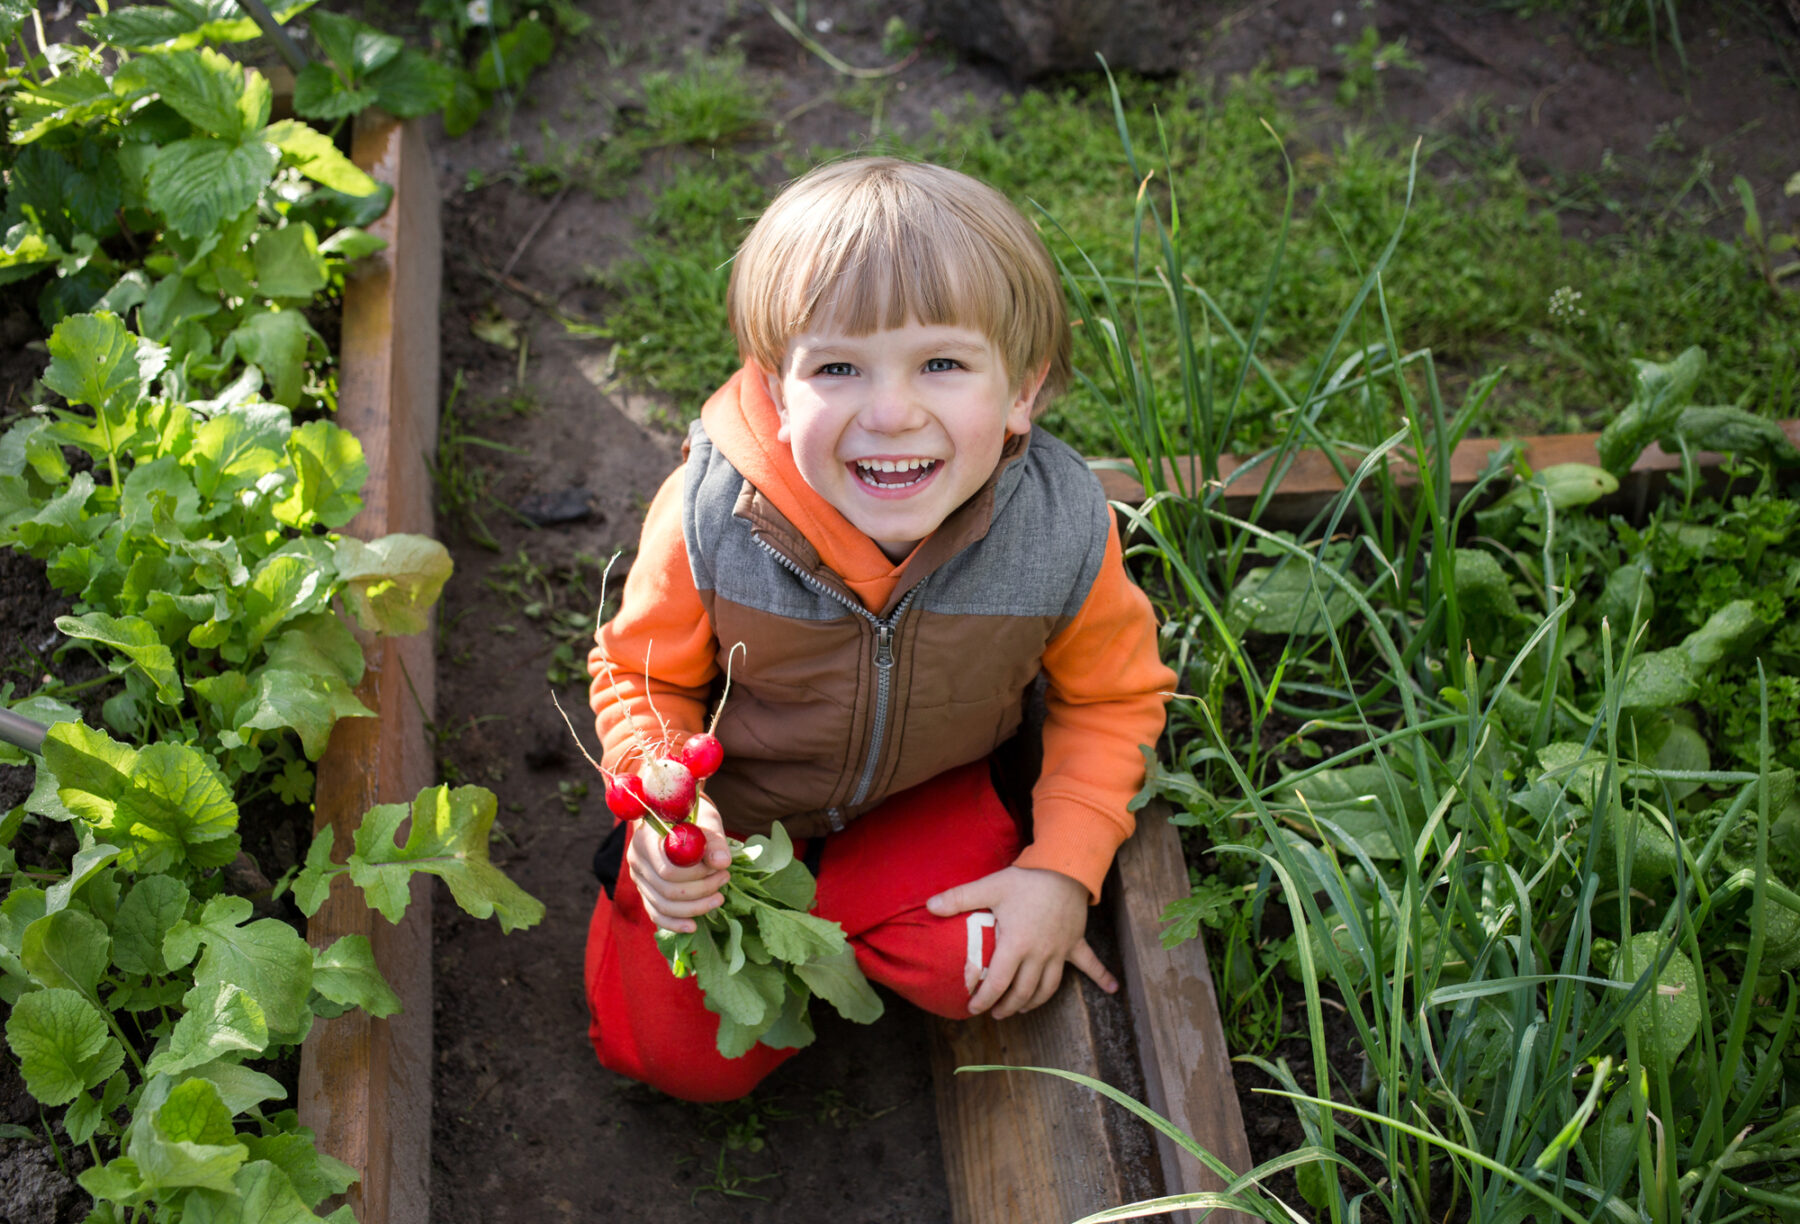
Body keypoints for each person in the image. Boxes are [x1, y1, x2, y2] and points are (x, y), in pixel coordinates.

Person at [584, 156, 1174, 1102]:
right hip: (742, 818)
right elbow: (639, 676)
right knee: (675, 1065)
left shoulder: (1060, 531)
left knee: (990, 967)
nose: (892, 414)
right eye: (839, 369)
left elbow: (1112, 697)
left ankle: (849, 933)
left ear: (1023, 389)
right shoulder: (710, 518)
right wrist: (667, 809)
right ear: (778, 392)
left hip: (919, 803)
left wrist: (1063, 872)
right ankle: (762, 928)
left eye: (942, 364)